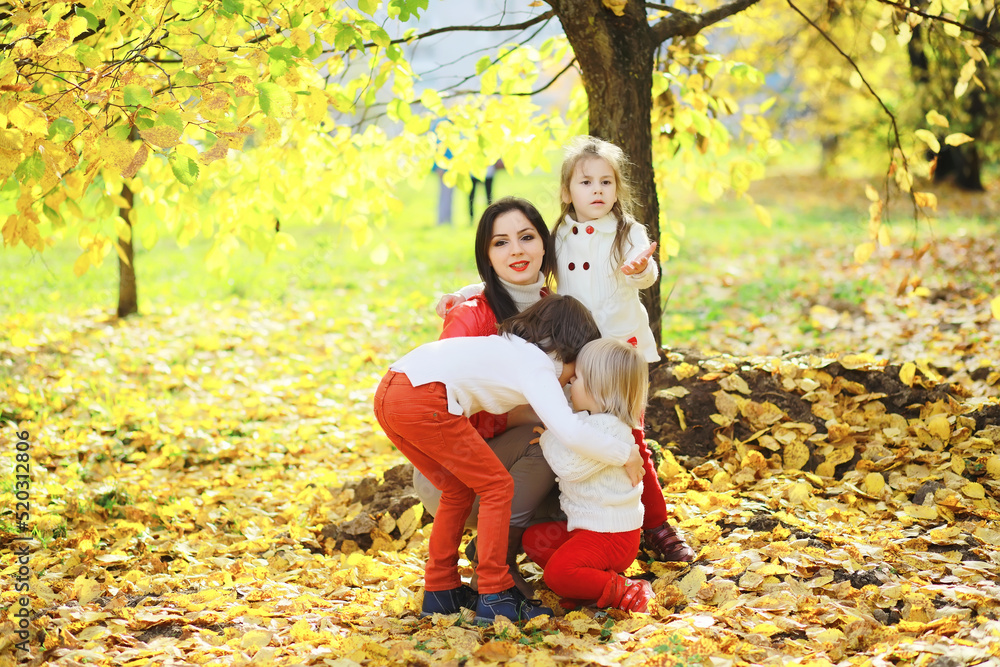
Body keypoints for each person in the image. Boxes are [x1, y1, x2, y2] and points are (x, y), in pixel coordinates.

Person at [436, 136, 696, 563]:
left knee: (629, 435)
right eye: (586, 182)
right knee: (581, 433)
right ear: (566, 191)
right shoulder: (559, 235)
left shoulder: (629, 231)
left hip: (619, 354)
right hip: (579, 353)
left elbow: (646, 272)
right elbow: (531, 273)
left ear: (617, 188)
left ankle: (655, 524)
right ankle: (581, 521)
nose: (597, 191)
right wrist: (465, 291)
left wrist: (640, 269)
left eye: (606, 182)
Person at [373, 295, 645, 623]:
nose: (571, 381)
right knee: (496, 486)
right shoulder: (538, 365)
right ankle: (495, 591)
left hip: (391, 391)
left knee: (459, 489)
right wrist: (625, 453)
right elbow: (571, 431)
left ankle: (440, 590)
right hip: (425, 397)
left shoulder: (507, 346)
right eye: (576, 370)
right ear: (568, 350)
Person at [414, 196, 557, 599]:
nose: (516, 250)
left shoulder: (555, 311)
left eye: (526, 237)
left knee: (570, 441)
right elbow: (440, 405)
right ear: (487, 256)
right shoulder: (471, 315)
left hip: (520, 466)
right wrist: (518, 415)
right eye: (501, 242)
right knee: (546, 434)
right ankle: (496, 569)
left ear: (544, 244)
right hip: (453, 470)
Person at [523, 338, 655, 613]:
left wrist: (548, 440)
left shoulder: (609, 430)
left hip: (611, 535)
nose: (571, 383)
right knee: (534, 540)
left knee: (557, 574)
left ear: (599, 390)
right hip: (588, 528)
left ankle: (627, 591)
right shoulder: (589, 422)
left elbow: (569, 466)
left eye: (578, 378)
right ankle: (588, 587)